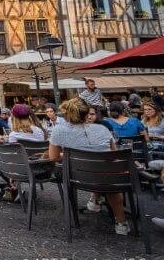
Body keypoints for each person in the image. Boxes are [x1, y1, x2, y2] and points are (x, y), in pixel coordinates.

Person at [47, 97, 129, 235]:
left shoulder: (58, 131)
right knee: (104, 172)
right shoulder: (102, 129)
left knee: (95, 170)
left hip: (77, 177)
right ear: (87, 114)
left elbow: (53, 157)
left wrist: (67, 155)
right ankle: (121, 222)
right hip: (106, 179)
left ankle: (94, 200)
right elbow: (113, 155)